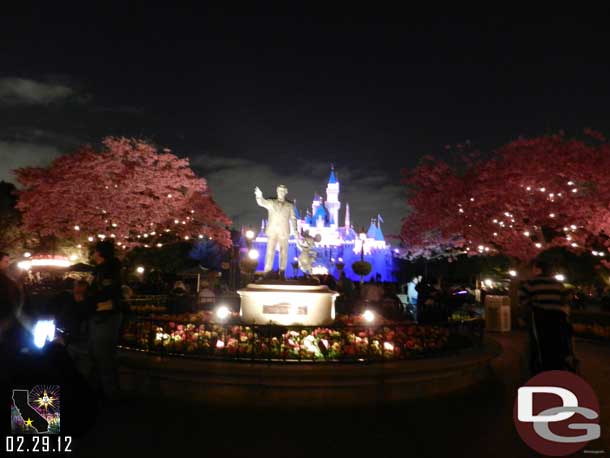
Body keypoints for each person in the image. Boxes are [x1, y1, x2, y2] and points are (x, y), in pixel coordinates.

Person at [519, 258, 574, 375]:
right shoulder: (558, 284)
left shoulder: (531, 283)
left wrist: (525, 315)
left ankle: (540, 369)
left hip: (540, 316)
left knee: (539, 344)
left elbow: (523, 300)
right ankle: (556, 366)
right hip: (558, 317)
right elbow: (566, 298)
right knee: (556, 342)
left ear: (538, 269)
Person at [89, 241, 123, 401]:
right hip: (103, 313)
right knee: (103, 355)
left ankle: (109, 393)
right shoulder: (104, 269)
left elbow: (106, 291)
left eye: (95, 252)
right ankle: (106, 389)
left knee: (104, 355)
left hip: (105, 315)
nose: (93, 255)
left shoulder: (107, 271)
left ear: (101, 253)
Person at [254, 184, 298, 278]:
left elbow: (293, 218)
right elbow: (262, 202)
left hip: (284, 231)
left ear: (286, 192)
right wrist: (259, 195)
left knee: (284, 252)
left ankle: (282, 273)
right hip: (272, 230)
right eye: (279, 190)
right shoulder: (271, 202)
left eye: (283, 191)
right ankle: (267, 272)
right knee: (270, 251)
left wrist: (295, 230)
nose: (281, 192)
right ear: (277, 191)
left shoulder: (290, 205)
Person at [57, 280, 93, 381]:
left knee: (81, 366)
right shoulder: (70, 301)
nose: (78, 289)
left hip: (80, 339)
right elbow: (62, 317)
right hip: (73, 338)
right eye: (77, 287)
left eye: (80, 287)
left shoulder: (85, 302)